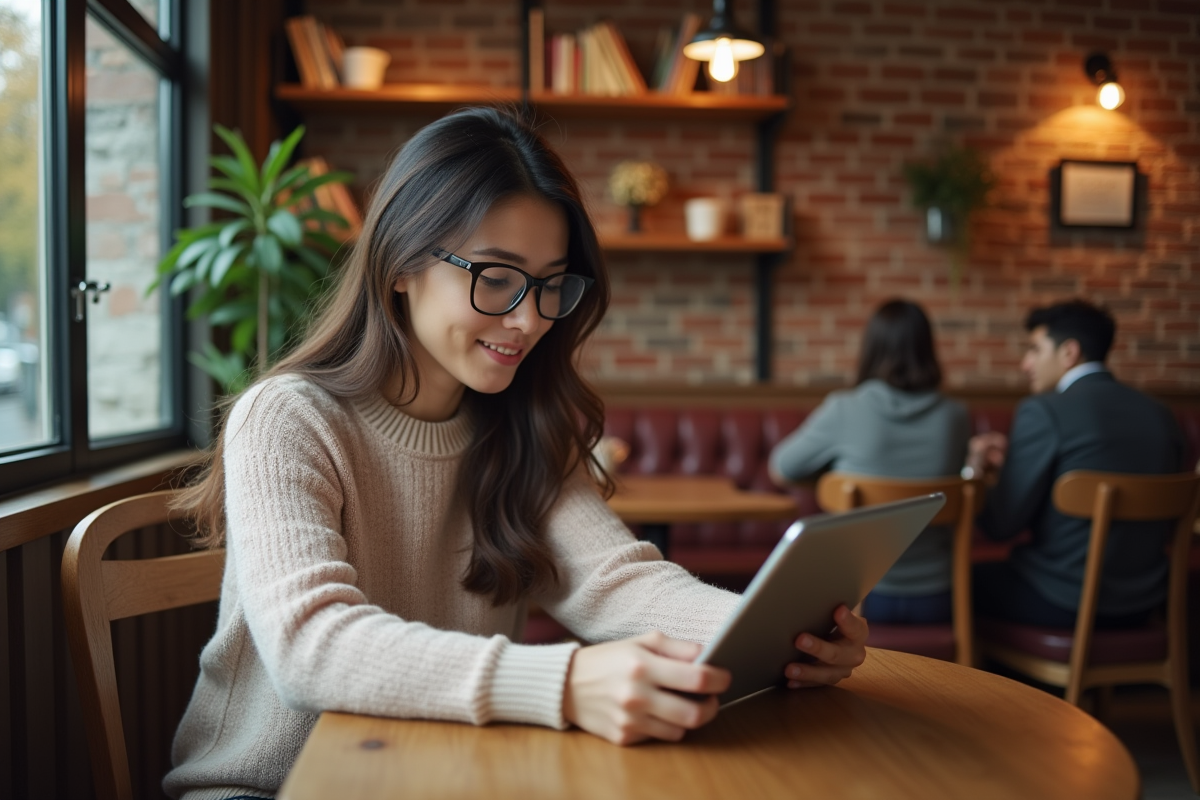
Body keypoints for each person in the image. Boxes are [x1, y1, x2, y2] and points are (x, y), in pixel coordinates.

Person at [163, 107, 868, 800]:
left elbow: (618, 585)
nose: (529, 318)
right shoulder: (287, 418)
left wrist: (777, 635)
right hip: (267, 786)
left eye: (550, 283)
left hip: (443, 776)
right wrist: (563, 683)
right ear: (401, 266)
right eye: (495, 276)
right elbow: (309, 644)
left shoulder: (521, 426)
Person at [965, 299, 1185, 629]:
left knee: (957, 582)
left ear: (1069, 352)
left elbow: (999, 526)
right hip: (1144, 603)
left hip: (1062, 601)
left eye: (1035, 350)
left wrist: (977, 472)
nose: (1026, 364)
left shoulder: (1043, 411)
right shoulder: (1161, 415)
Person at [769, 299, 971, 624]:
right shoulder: (955, 417)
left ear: (871, 348)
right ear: (926, 348)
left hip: (856, 600)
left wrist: (835, 476)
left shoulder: (845, 409)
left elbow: (781, 467)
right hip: (939, 595)